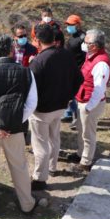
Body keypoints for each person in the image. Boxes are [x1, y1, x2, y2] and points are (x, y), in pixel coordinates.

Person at [0, 34, 38, 216]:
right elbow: (32, 103)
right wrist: (16, 121)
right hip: (15, 130)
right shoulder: (26, 72)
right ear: (12, 49)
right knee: (19, 166)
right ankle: (27, 204)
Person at [28, 25, 83, 190]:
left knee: (40, 144)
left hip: (42, 110)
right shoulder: (66, 55)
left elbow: (30, 90)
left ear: (37, 40)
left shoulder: (38, 61)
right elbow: (78, 79)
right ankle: (52, 167)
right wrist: (68, 97)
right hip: (60, 106)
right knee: (54, 138)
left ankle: (39, 177)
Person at [68, 29, 110, 172]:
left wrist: (89, 107)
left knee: (88, 134)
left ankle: (86, 162)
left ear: (94, 45)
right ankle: (81, 154)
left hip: (90, 104)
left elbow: (99, 89)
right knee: (82, 131)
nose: (83, 44)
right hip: (83, 100)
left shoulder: (101, 64)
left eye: (86, 42)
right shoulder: (90, 55)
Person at [62, 15, 86, 124]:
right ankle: (68, 114)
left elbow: (86, 56)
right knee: (69, 94)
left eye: (70, 24)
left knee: (75, 95)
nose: (68, 26)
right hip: (70, 69)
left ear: (77, 25)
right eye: (67, 24)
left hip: (79, 70)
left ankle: (77, 117)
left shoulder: (83, 38)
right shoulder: (73, 37)